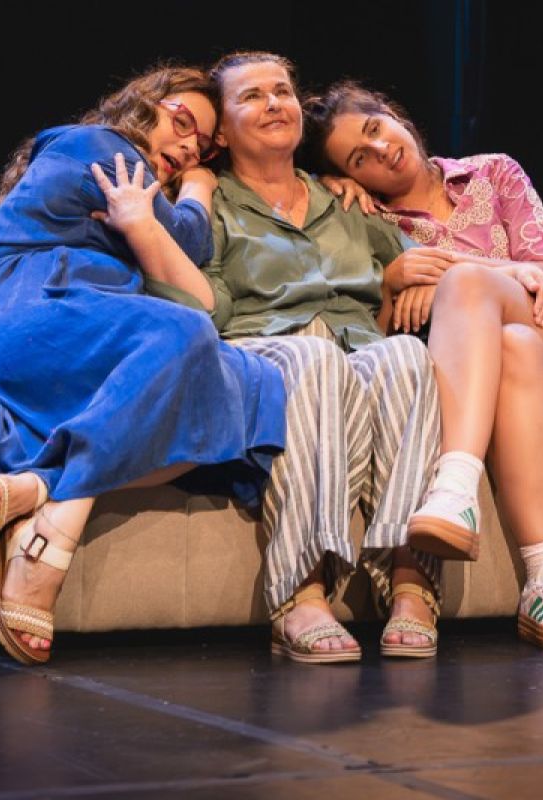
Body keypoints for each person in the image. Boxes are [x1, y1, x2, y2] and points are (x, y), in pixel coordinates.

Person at [0, 66, 287, 666]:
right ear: (144, 104)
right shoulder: (97, 146)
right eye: (183, 123)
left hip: (93, 329)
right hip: (23, 310)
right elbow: (190, 244)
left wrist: (150, 222)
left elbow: (199, 288)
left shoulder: (139, 189)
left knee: (257, 385)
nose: (189, 147)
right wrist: (200, 186)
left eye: (203, 147)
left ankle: (33, 490)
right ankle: (50, 540)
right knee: (183, 331)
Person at [302, 81, 543, 650]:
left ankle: (455, 486)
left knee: (476, 291)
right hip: (487, 374)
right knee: (513, 345)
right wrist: (392, 281)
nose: (382, 151)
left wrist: (459, 274)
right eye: (359, 159)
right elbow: (376, 337)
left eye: (375, 130)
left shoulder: (494, 172)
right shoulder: (373, 223)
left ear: (392, 114)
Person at [194, 52, 442, 663]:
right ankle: (301, 590)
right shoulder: (215, 205)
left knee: (406, 356)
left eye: (281, 91)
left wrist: (424, 279)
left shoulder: (345, 202)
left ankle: (410, 581)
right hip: (261, 355)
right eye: (252, 96)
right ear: (221, 132)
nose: (274, 103)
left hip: (354, 354)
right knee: (314, 358)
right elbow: (207, 308)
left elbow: (423, 260)